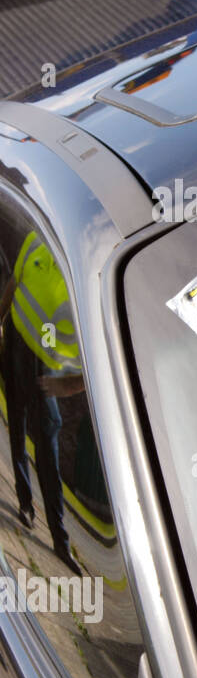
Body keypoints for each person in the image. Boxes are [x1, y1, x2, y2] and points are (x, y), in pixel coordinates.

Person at [0, 232, 83, 572]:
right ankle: (24, 503)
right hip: (14, 348)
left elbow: (94, 366)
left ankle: (60, 543)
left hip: (43, 371)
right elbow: (14, 283)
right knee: (15, 425)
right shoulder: (36, 240)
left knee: (46, 452)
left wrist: (64, 388)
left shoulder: (80, 283)